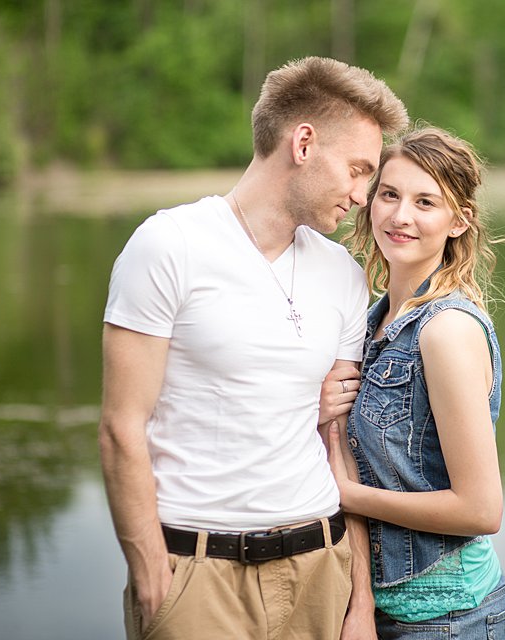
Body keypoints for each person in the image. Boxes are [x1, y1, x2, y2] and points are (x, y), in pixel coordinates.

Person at [98, 56, 407, 640]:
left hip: (320, 568)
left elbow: (336, 441)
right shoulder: (169, 246)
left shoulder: (343, 272)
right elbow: (121, 427)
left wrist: (359, 599)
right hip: (198, 576)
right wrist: (151, 577)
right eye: (358, 169)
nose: (363, 196)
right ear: (304, 142)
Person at [323, 126, 505, 639]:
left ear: (458, 222)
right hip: (376, 608)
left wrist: (345, 495)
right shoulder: (371, 321)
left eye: (425, 202)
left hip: (448, 618)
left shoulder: (446, 330)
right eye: (389, 194)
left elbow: (480, 509)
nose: (400, 215)